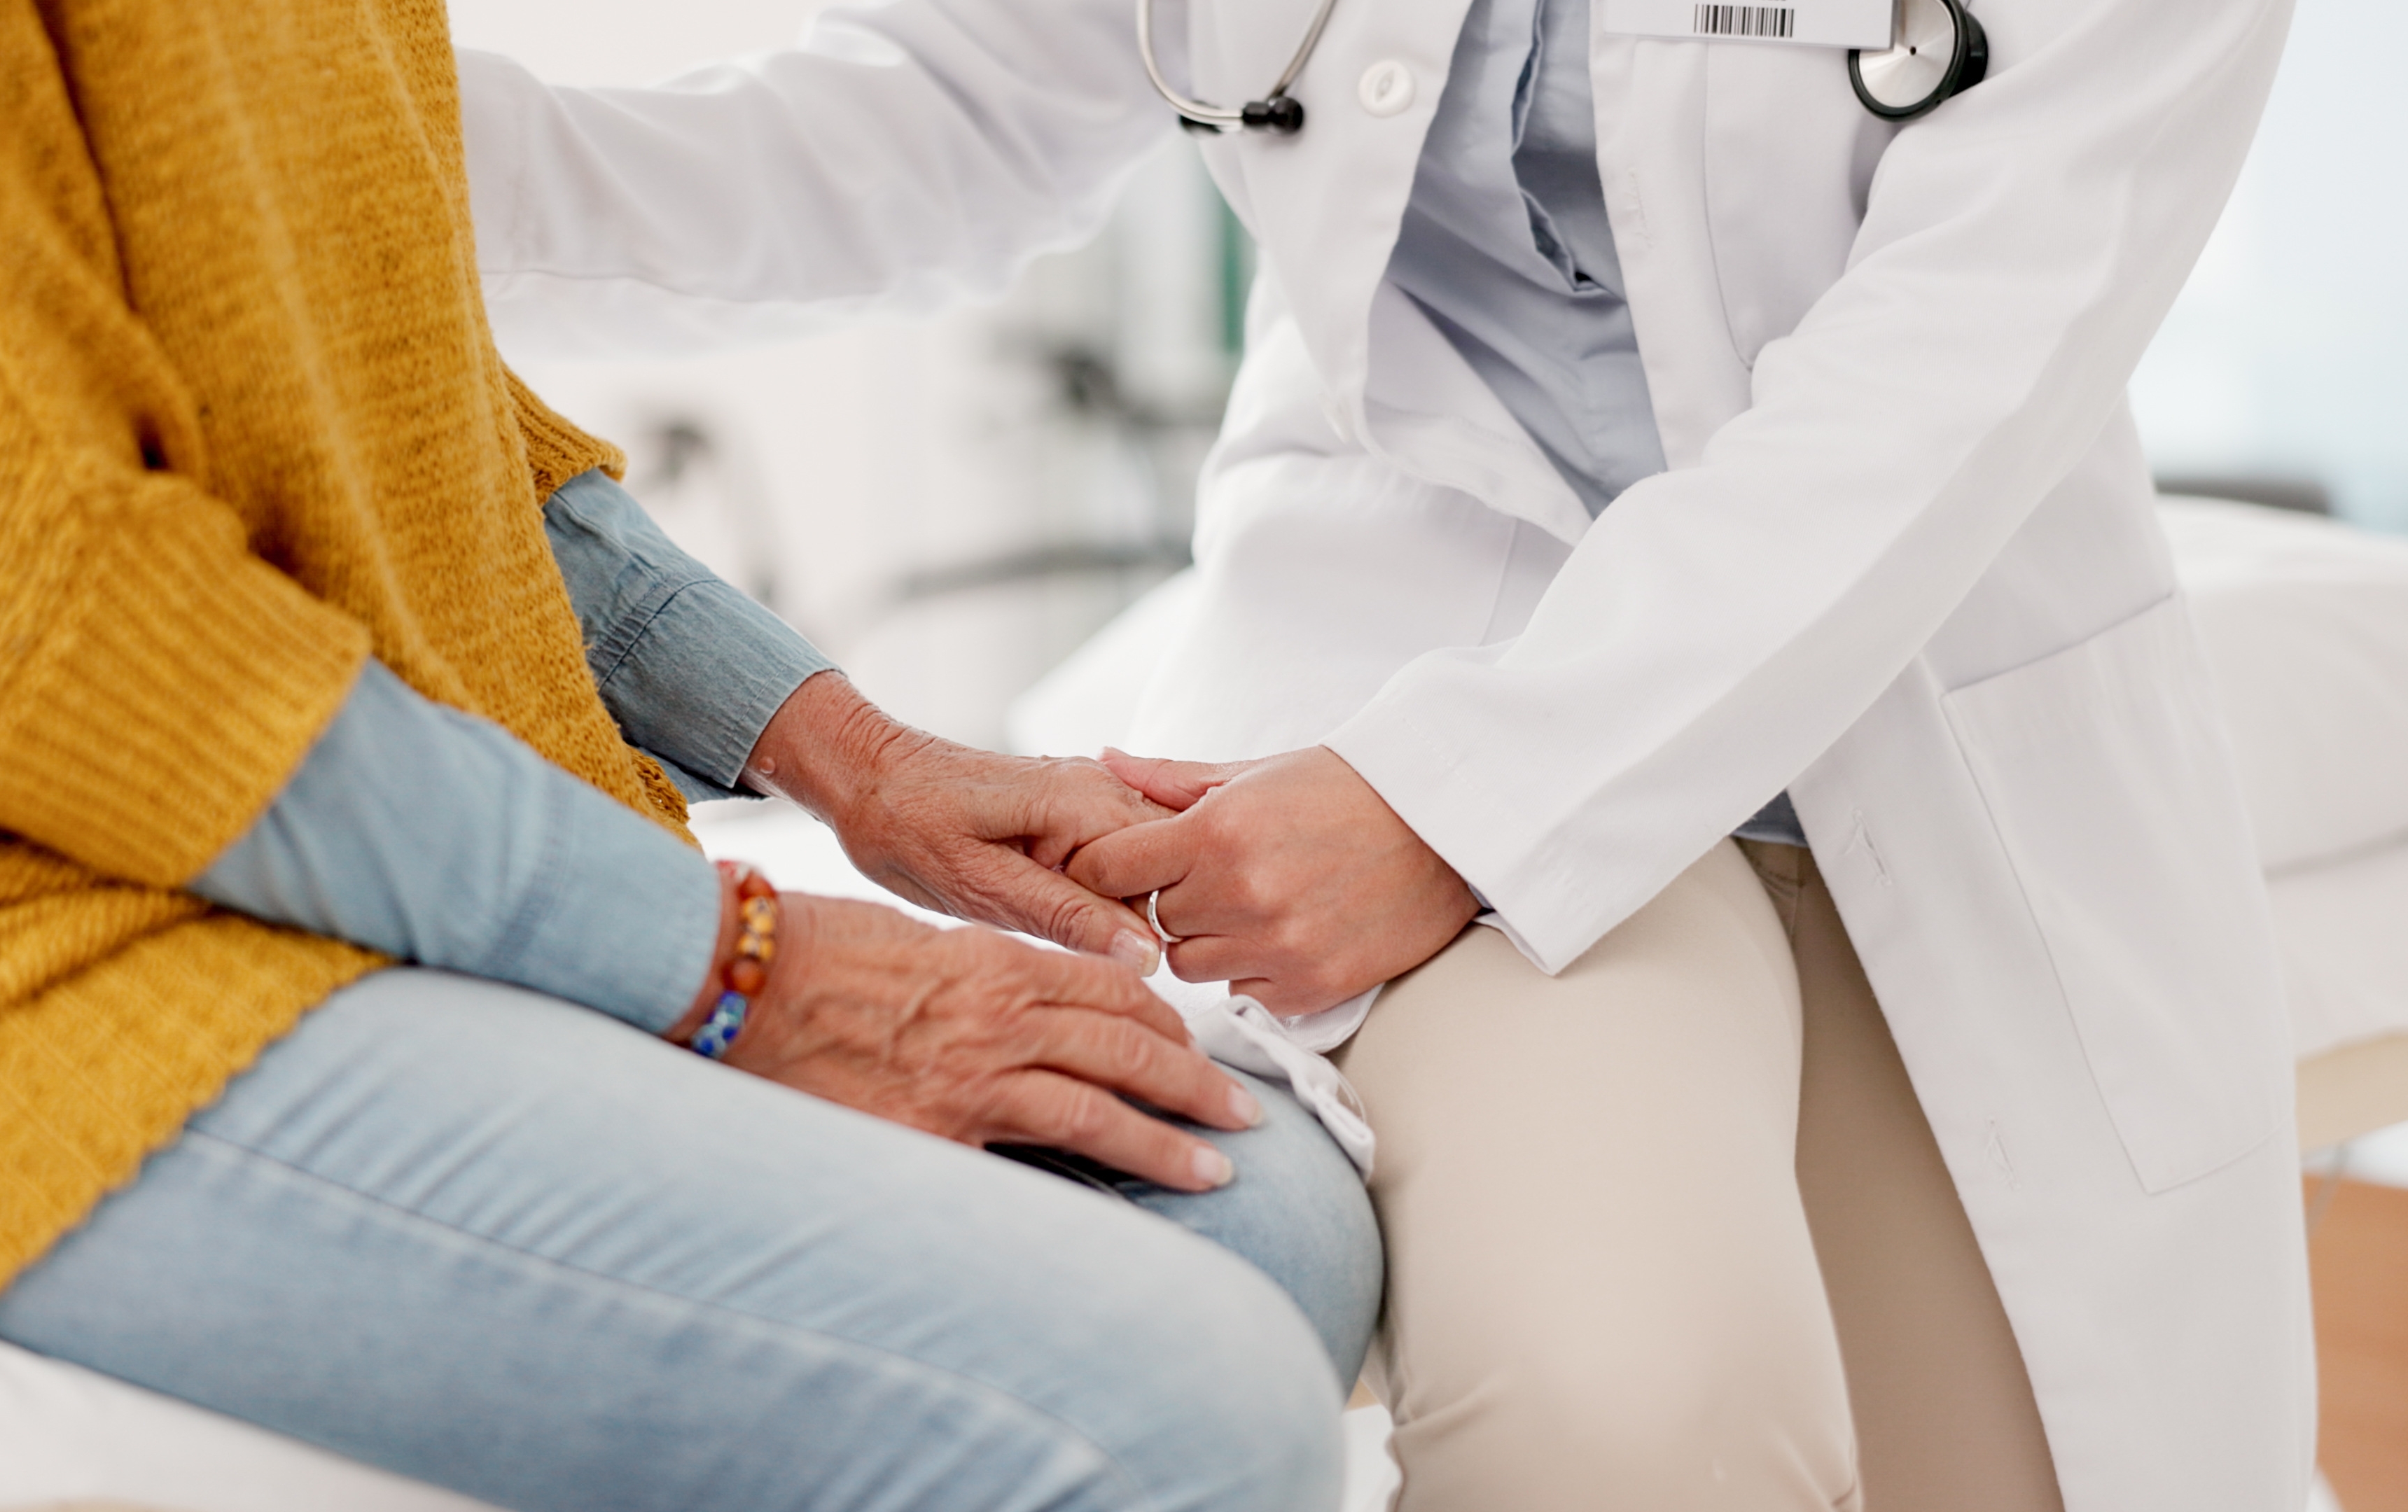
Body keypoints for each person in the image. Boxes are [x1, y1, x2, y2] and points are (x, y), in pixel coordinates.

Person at [455, 0, 2312, 1506]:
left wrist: (1456, 802)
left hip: (1893, 687)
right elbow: (942, 112)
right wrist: (359, 133)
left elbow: (1961, 367)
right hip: (1416, 674)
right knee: (1631, 1414)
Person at [0, 6, 1382, 1511]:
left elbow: (374, 393)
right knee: (1161, 1413)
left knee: (1248, 1215)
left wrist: (852, 759)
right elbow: (0, 616)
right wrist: (745, 968)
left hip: (237, 869)